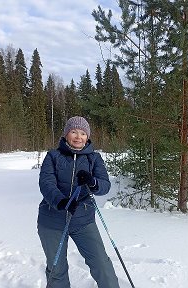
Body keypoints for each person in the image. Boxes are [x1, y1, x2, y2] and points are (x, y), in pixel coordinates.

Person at [37, 116, 120, 288]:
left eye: (83, 133)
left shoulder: (94, 158)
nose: (78, 136)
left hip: (83, 220)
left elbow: (104, 185)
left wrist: (92, 182)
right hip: (52, 220)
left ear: (87, 137)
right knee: (56, 269)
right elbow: (46, 183)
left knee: (101, 264)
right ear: (66, 134)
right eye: (74, 131)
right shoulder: (53, 156)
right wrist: (61, 202)